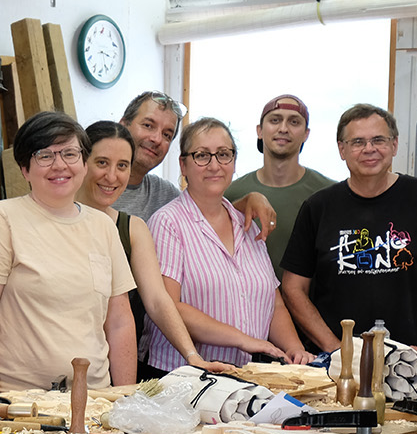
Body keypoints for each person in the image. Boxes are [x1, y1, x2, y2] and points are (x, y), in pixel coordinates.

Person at [0, 111, 136, 392]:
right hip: (21, 403)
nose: (59, 165)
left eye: (69, 153)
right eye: (44, 155)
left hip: (95, 397)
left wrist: (125, 397)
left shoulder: (103, 226)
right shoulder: (2, 218)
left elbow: (119, 322)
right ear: (25, 169)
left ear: (83, 162)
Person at [279, 104, 417, 360]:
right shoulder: (318, 207)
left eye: (379, 140)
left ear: (395, 145)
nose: (369, 149)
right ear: (342, 149)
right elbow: (293, 288)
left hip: (410, 359)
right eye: (357, 142)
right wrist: (335, 349)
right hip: (337, 367)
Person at [146, 117, 315, 372]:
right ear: (183, 164)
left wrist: (293, 349)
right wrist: (245, 341)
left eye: (224, 154)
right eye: (202, 155)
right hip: (183, 377)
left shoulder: (247, 223)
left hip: (244, 376)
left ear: (234, 162)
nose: (214, 165)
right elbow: (168, 306)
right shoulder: (168, 223)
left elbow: (273, 302)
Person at [74, 120, 237, 378]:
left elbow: (158, 300)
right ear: (82, 162)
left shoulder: (133, 228)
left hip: (104, 371)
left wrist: (192, 356)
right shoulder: (40, 219)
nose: (112, 176)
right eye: (102, 162)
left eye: (122, 166)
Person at [224, 95, 334, 278]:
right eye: (275, 120)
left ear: (306, 134)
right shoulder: (231, 194)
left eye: (294, 122)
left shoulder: (328, 195)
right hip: (247, 305)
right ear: (259, 131)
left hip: (313, 305)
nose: (283, 129)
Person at [112, 91, 185, 222]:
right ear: (123, 125)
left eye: (167, 135)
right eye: (148, 125)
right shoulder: (84, 181)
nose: (157, 139)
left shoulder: (165, 194)